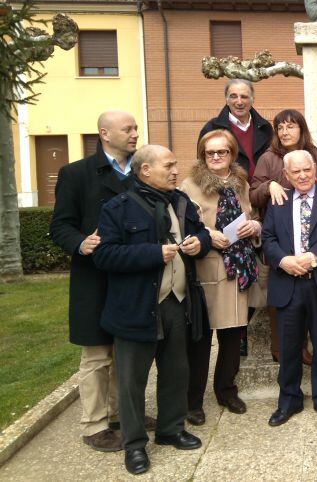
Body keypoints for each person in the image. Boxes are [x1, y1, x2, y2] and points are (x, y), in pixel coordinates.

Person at [92, 145, 211, 475]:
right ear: (145, 171)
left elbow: (200, 232)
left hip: (178, 303)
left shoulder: (181, 202)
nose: (176, 170)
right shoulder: (118, 207)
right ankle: (133, 445)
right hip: (136, 307)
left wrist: (200, 242)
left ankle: (171, 430)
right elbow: (104, 256)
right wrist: (152, 254)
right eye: (168, 165)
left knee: (176, 371)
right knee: (132, 382)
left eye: (176, 164)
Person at [49, 110, 154, 451]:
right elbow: (60, 225)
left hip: (133, 276)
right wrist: (80, 242)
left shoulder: (140, 173)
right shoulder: (75, 174)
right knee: (96, 355)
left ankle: (123, 415)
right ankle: (95, 424)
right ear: (105, 134)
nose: (135, 133)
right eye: (128, 129)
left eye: (136, 128)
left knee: (126, 353)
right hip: (94, 279)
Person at [261, 150, 317, 426]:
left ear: (315, 169)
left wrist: (313, 257)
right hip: (288, 284)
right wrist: (284, 261)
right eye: (295, 172)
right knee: (289, 348)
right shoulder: (279, 201)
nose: (302, 176)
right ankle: (289, 401)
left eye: (306, 170)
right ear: (286, 175)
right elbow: (268, 237)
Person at [180, 130, 261, 426]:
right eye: (209, 153)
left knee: (233, 336)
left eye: (222, 152)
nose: (216, 157)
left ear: (232, 154)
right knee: (201, 340)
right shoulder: (189, 185)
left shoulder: (241, 182)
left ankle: (226, 390)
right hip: (207, 269)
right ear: (202, 155)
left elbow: (248, 214)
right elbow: (179, 225)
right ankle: (193, 401)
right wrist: (206, 235)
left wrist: (253, 227)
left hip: (238, 268)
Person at [250, 109, 317, 364]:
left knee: (312, 299)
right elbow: (253, 194)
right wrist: (269, 185)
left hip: (312, 237)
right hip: (281, 237)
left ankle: (305, 348)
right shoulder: (268, 158)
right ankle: (282, 348)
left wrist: (311, 183)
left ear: (302, 129)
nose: (285, 132)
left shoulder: (315, 155)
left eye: (291, 126)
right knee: (281, 298)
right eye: (280, 127)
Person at [199, 79, 273, 182]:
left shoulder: (266, 128)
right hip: (227, 192)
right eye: (233, 96)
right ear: (226, 100)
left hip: (261, 192)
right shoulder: (211, 128)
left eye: (244, 97)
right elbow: (202, 164)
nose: (239, 102)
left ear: (252, 100)